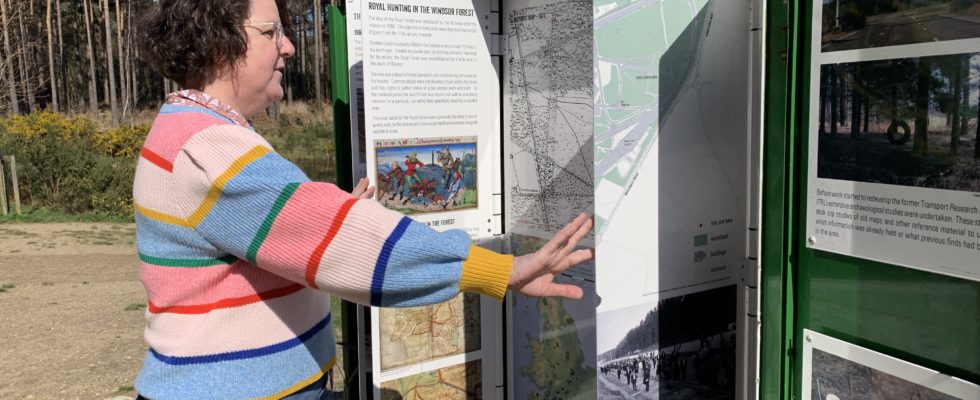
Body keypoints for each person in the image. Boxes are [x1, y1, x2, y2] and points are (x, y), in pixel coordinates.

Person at [133, 1, 593, 399]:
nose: (288, 46)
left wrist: (323, 221)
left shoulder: (192, 130)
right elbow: (338, 241)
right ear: (217, 40)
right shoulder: (206, 147)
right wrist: (501, 270)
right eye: (272, 32)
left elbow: (271, 238)